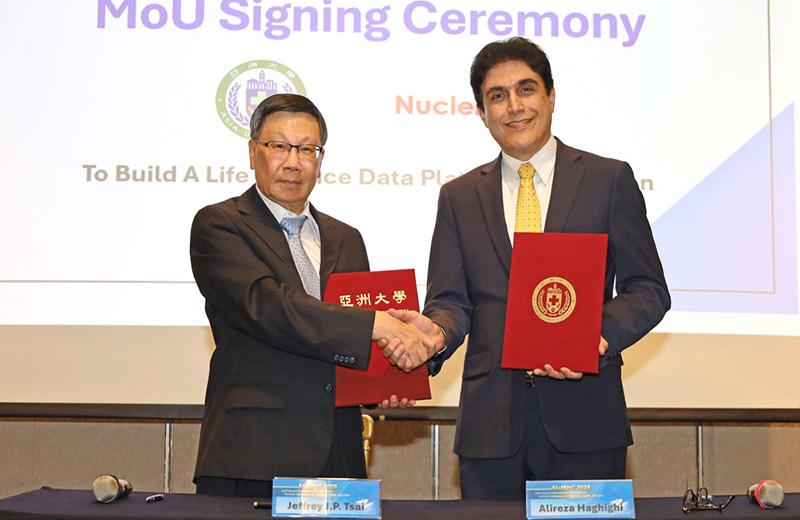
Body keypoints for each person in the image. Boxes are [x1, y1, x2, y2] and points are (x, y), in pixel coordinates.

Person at [385, 37, 670, 500]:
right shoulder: (459, 197)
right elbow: (450, 301)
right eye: (497, 96)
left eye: (526, 89)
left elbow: (648, 289)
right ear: (482, 112)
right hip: (490, 426)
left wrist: (595, 336)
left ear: (551, 96)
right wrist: (435, 334)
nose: (514, 106)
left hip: (586, 419)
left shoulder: (608, 180)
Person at [190, 93, 436, 498]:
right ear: (253, 152)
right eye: (279, 146)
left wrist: (384, 381)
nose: (293, 162)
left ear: (320, 160)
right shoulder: (220, 225)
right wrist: (376, 325)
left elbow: (349, 342)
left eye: (307, 149)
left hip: (339, 455)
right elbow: (268, 307)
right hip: (252, 453)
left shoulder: (346, 239)